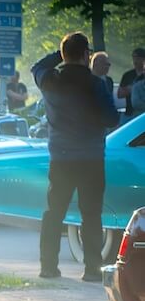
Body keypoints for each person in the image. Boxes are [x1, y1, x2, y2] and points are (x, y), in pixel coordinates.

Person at [32, 32, 120, 281]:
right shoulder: (96, 84)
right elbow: (112, 118)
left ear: (63, 55)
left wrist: (58, 55)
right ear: (86, 55)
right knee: (91, 214)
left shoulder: (49, 79)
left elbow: (37, 67)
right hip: (91, 159)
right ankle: (92, 269)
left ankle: (48, 267)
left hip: (60, 158)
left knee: (54, 212)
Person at [117, 47, 145, 120]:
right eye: (134, 58)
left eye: (138, 58)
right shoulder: (127, 75)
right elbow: (119, 94)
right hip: (130, 114)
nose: (135, 61)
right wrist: (132, 89)